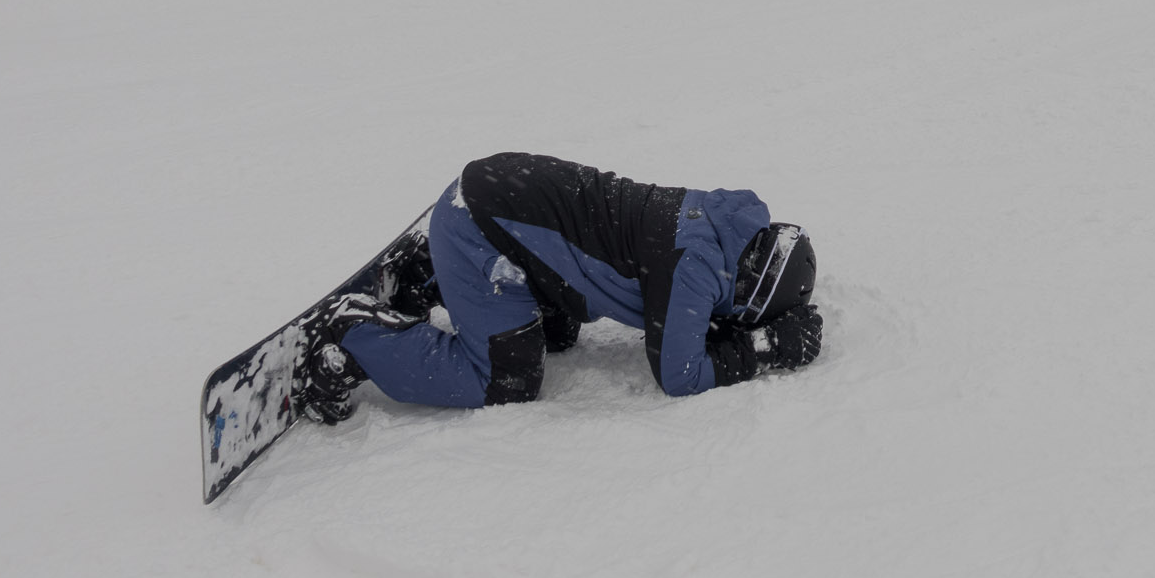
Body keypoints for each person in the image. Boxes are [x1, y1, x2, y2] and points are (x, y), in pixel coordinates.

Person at [291, 152, 823, 422]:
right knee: (506, 381)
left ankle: (432, 273)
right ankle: (353, 338)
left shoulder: (723, 225)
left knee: (559, 334)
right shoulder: (697, 268)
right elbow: (679, 374)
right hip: (484, 225)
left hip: (502, 202)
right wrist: (766, 349)